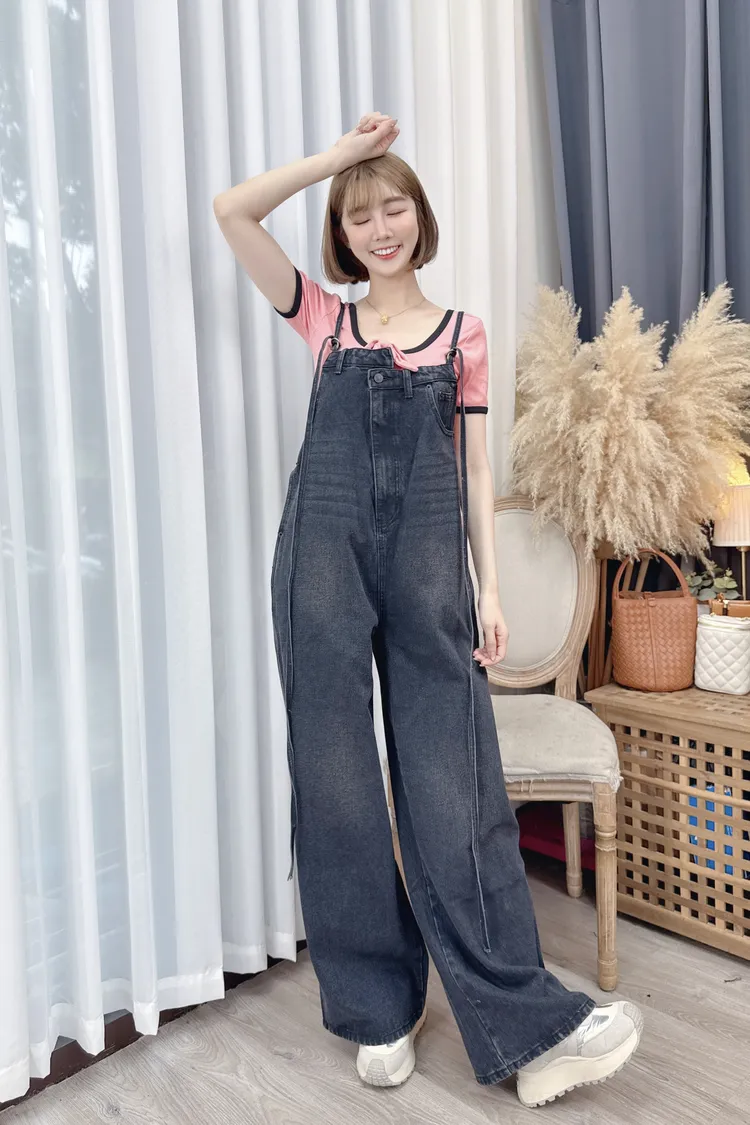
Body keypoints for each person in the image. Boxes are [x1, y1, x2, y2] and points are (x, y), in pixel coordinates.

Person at [213, 111, 643, 1109]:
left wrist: (489, 587)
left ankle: (529, 1028)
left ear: (420, 216)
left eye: (393, 208)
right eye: (359, 215)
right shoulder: (326, 320)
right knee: (335, 778)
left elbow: (476, 467)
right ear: (343, 233)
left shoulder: (463, 335)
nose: (380, 229)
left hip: (427, 557)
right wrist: (338, 160)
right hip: (320, 551)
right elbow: (232, 211)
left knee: (453, 779)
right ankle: (378, 1007)